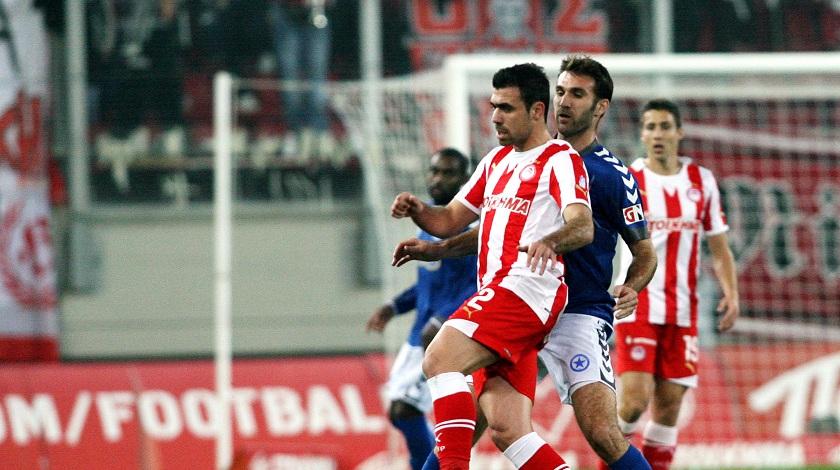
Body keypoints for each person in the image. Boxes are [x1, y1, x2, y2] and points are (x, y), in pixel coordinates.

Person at [397, 55, 657, 470]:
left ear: (600, 107)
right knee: (501, 427)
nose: (565, 102)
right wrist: (438, 247)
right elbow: (495, 229)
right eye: (561, 91)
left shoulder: (603, 172)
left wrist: (632, 284)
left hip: (571, 309)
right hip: (515, 299)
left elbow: (640, 248)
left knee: (602, 433)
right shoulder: (507, 159)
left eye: (577, 94)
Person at [613, 98, 740, 470]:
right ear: (642, 134)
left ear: (679, 132)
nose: (657, 134)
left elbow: (719, 247)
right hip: (637, 304)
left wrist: (731, 293)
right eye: (650, 127)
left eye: (665, 126)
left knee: (669, 408)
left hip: (683, 310)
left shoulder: (702, 181)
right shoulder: (628, 180)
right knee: (633, 403)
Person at [365, 148, 477, 470]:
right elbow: (429, 284)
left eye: (447, 173)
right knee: (398, 413)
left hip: (444, 334)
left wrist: (445, 321)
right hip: (420, 332)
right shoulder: (429, 225)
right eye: (434, 171)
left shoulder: (472, 230)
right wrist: (393, 306)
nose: (437, 179)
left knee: (408, 410)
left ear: (465, 180)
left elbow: (478, 285)